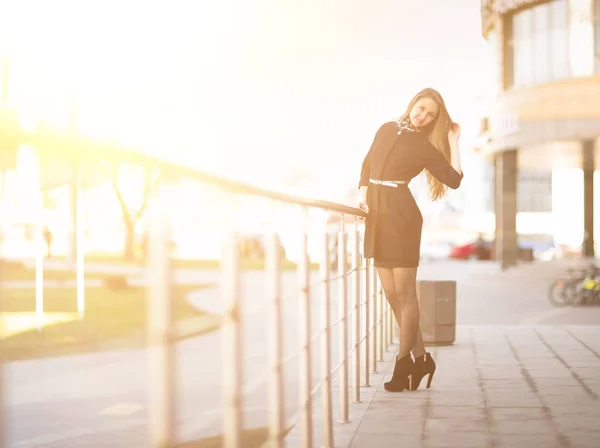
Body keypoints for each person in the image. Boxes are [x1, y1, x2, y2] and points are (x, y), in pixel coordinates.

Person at [357, 88, 463, 392]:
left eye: (430, 115)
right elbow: (366, 166)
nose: (422, 116)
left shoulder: (424, 145)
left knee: (405, 295)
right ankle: (422, 359)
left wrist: (454, 142)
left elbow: (454, 180)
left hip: (401, 218)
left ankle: (402, 365)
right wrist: (363, 196)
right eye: (420, 108)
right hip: (377, 216)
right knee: (391, 295)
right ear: (412, 104)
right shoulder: (387, 128)